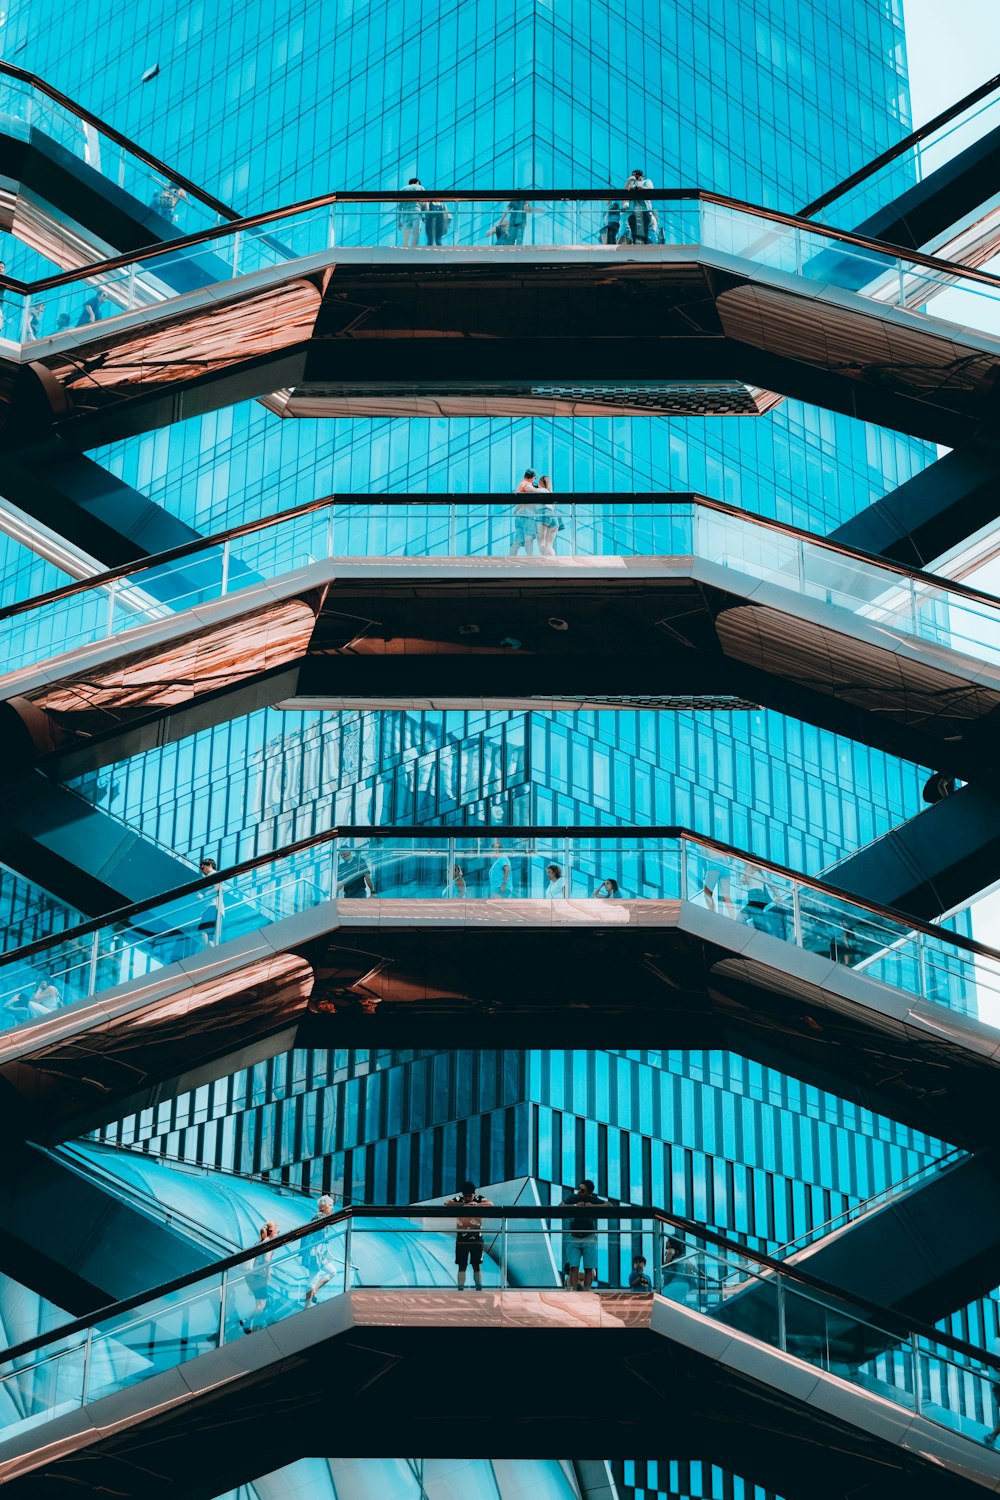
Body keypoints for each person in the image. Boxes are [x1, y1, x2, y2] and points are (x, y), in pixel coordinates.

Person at [562, 1178, 605, 1291]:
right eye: (579, 1189)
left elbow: (609, 1205)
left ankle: (586, 1291)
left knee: (589, 1267)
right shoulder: (573, 1198)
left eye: (582, 1190)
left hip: (589, 1237)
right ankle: (574, 1290)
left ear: (589, 1193)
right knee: (573, 1266)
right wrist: (576, 1206)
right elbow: (561, 1206)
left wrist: (591, 1206)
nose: (579, 1192)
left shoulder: (592, 1199)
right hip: (574, 1236)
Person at [448, 1179, 492, 1290]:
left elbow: (490, 1204)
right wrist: (464, 1205)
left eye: (469, 1195)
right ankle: (460, 1289)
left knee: (476, 1266)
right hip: (461, 1239)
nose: (467, 1198)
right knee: (461, 1266)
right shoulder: (460, 1200)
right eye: (465, 1195)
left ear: (474, 1193)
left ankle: (478, 1288)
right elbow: (447, 1203)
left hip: (476, 1239)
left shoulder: (479, 1199)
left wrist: (476, 1205)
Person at [242, 1221, 279, 1333]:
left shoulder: (259, 1242)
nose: (278, 1234)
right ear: (271, 1233)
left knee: (261, 1303)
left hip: (252, 1276)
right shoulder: (269, 1243)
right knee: (261, 1305)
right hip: (260, 1276)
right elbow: (267, 1260)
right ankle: (247, 1322)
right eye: (277, 1232)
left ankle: (254, 1327)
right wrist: (268, 1275)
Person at [303, 1194, 336, 1305]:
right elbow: (319, 1234)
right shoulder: (320, 1217)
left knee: (332, 1272)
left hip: (319, 1253)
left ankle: (314, 1292)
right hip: (314, 1253)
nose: (332, 1208)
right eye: (330, 1205)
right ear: (323, 1207)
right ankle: (307, 1306)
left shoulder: (321, 1217)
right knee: (313, 1278)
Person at [196, 857, 225, 947]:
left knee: (202, 930)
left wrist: (203, 895)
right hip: (213, 908)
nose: (202, 870)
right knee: (210, 937)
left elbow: (218, 887)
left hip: (212, 907)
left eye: (202, 867)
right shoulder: (210, 877)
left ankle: (205, 950)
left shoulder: (213, 874)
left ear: (210, 865)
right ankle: (211, 952)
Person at [510, 470, 539, 557]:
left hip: (519, 516)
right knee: (529, 538)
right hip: (527, 515)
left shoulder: (520, 485)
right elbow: (534, 491)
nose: (534, 480)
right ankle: (530, 558)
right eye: (534, 478)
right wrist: (544, 490)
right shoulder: (526, 484)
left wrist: (515, 511)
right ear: (532, 476)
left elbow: (518, 505)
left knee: (518, 540)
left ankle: (512, 557)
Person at [623, 168, 654, 245]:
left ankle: (644, 249)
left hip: (644, 211)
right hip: (633, 213)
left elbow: (650, 190)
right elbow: (623, 194)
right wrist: (628, 181)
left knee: (644, 234)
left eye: (636, 177)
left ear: (641, 176)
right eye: (634, 177)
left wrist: (638, 187)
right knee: (634, 234)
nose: (635, 178)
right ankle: (636, 248)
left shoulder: (647, 181)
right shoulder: (631, 184)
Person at [534, 476, 561, 557]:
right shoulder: (550, 493)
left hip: (544, 515)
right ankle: (553, 562)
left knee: (541, 543)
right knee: (549, 545)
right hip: (554, 518)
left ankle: (546, 562)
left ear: (541, 483)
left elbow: (526, 490)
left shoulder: (540, 490)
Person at [399, 178, 424, 247]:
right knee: (416, 231)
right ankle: (414, 247)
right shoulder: (420, 188)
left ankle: (405, 246)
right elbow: (423, 202)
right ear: (417, 182)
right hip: (416, 210)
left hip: (405, 212)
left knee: (406, 231)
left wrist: (398, 221)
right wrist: (424, 215)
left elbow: (399, 206)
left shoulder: (403, 189)